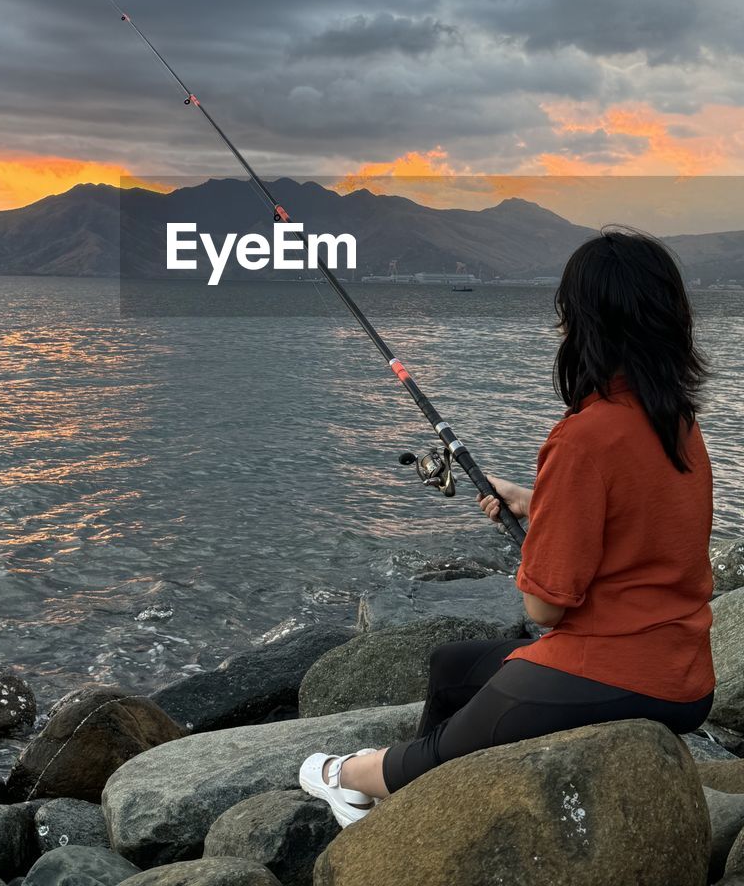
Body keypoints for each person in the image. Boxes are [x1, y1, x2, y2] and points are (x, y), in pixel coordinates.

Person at [300, 229, 715, 827]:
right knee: (449, 667)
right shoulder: (680, 423)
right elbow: (640, 523)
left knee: (436, 752)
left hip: (618, 671)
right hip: (685, 674)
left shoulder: (583, 437)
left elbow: (544, 608)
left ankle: (347, 776)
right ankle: (423, 803)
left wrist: (539, 542)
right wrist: (536, 502)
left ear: (584, 325)